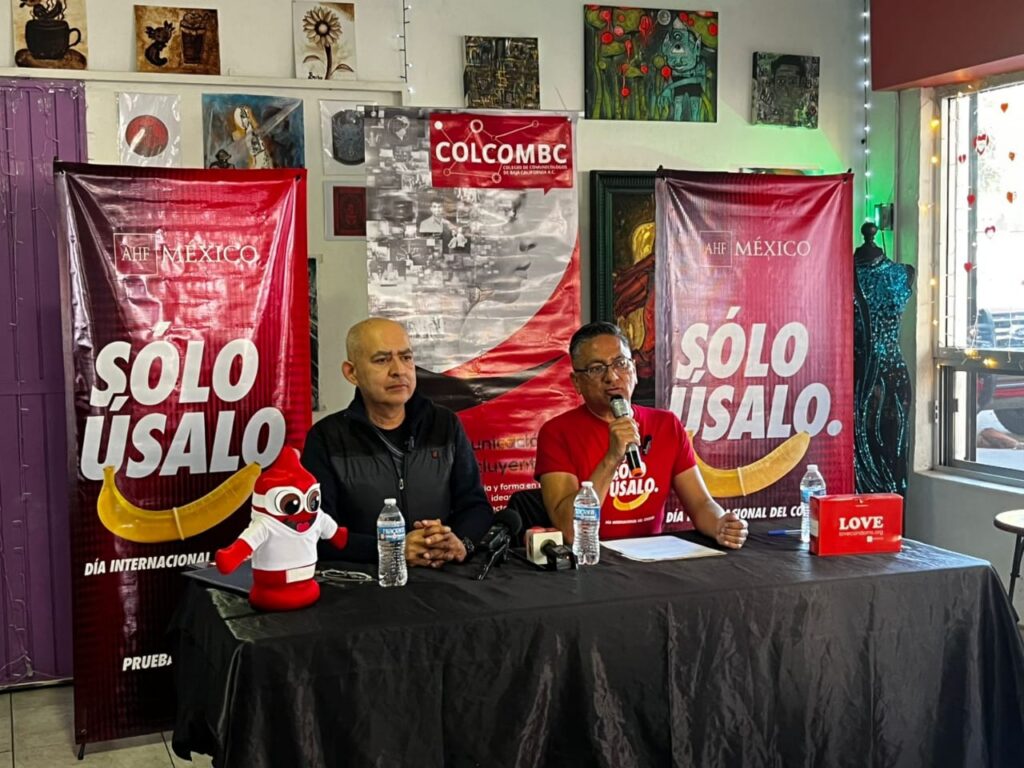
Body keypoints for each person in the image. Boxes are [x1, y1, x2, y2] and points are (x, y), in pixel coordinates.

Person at [535, 321, 748, 548]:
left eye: (620, 363)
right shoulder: (556, 433)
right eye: (596, 368)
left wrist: (720, 523)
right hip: (593, 560)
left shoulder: (666, 425)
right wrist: (611, 458)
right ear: (577, 382)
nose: (612, 376)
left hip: (652, 559)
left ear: (634, 371)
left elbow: (701, 504)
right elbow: (570, 530)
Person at [301, 317, 494, 567]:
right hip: (365, 580)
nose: (399, 370)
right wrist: (391, 549)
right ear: (352, 373)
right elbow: (316, 530)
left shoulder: (445, 425)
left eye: (406, 357)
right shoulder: (326, 438)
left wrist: (460, 543)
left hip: (444, 576)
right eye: (382, 360)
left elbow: (476, 506)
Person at [853, 221, 914, 494]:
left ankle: (895, 516)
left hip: (892, 380)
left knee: (894, 453)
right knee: (856, 458)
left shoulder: (904, 273)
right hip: (856, 379)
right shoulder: (841, 275)